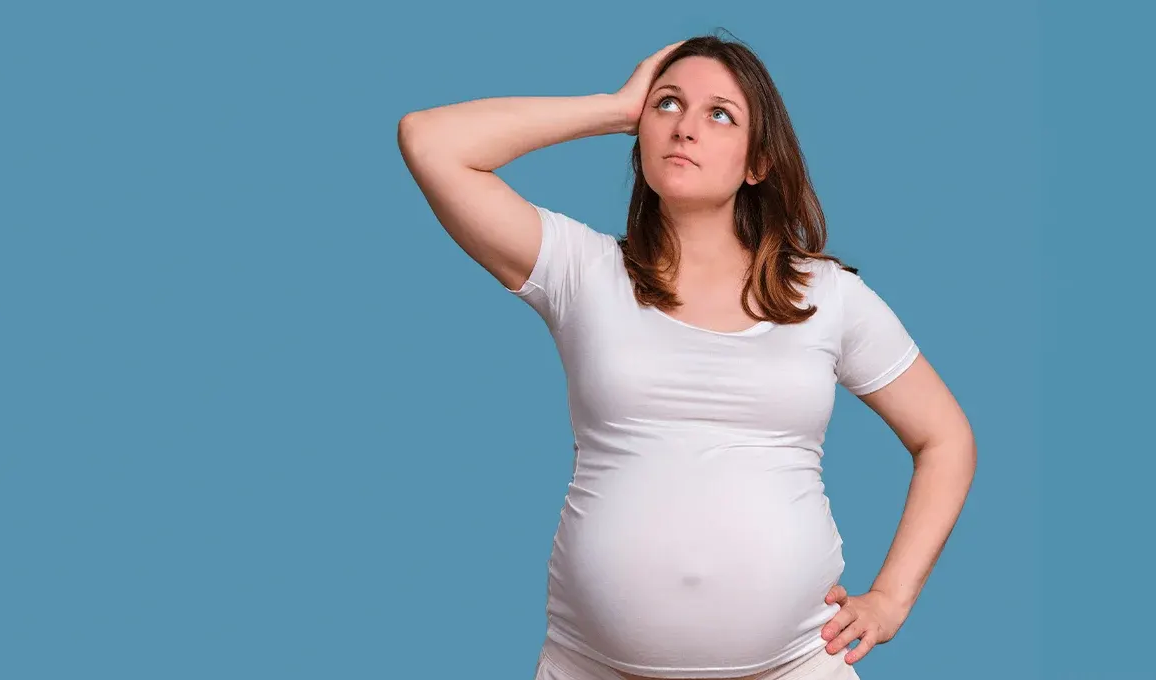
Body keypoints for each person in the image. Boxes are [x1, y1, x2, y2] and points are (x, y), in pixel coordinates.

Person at [396, 33, 977, 680]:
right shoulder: (582, 271)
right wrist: (614, 108)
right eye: (667, 105)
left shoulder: (827, 296)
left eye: (719, 114)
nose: (685, 129)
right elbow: (430, 141)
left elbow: (945, 438)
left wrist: (892, 598)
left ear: (758, 163)